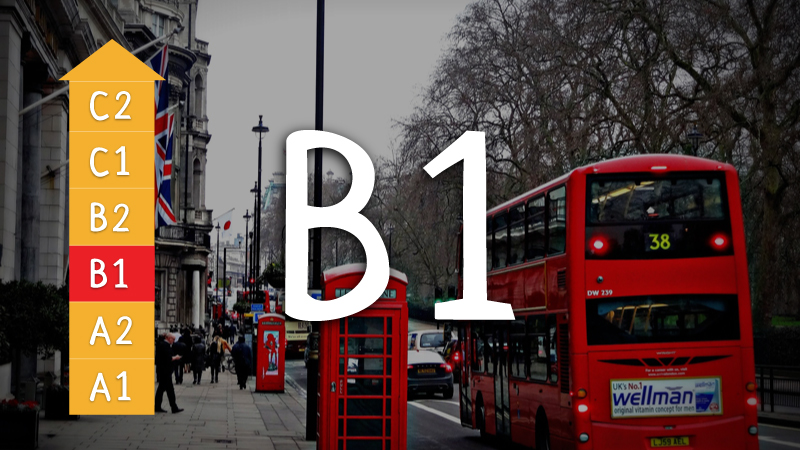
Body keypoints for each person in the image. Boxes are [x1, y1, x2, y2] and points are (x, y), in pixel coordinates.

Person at [155, 333, 184, 413]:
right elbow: (167, 358)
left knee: (164, 389)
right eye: (173, 339)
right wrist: (176, 357)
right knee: (167, 390)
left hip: (164, 370)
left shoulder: (163, 345)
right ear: (168, 338)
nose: (174, 341)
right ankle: (173, 407)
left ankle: (161, 406)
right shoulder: (164, 345)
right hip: (165, 371)